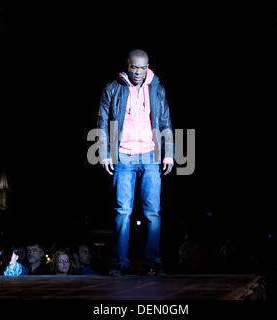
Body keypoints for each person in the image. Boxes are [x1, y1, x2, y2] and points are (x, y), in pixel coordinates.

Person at [97, 49, 174, 276]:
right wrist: (104, 153)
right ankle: (119, 264)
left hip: (151, 154)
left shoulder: (157, 88)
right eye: (134, 67)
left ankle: (154, 263)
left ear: (148, 67)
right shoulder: (113, 88)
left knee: (153, 213)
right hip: (123, 155)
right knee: (123, 212)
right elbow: (102, 122)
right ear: (127, 66)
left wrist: (168, 153)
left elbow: (165, 120)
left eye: (143, 67)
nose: (138, 72)